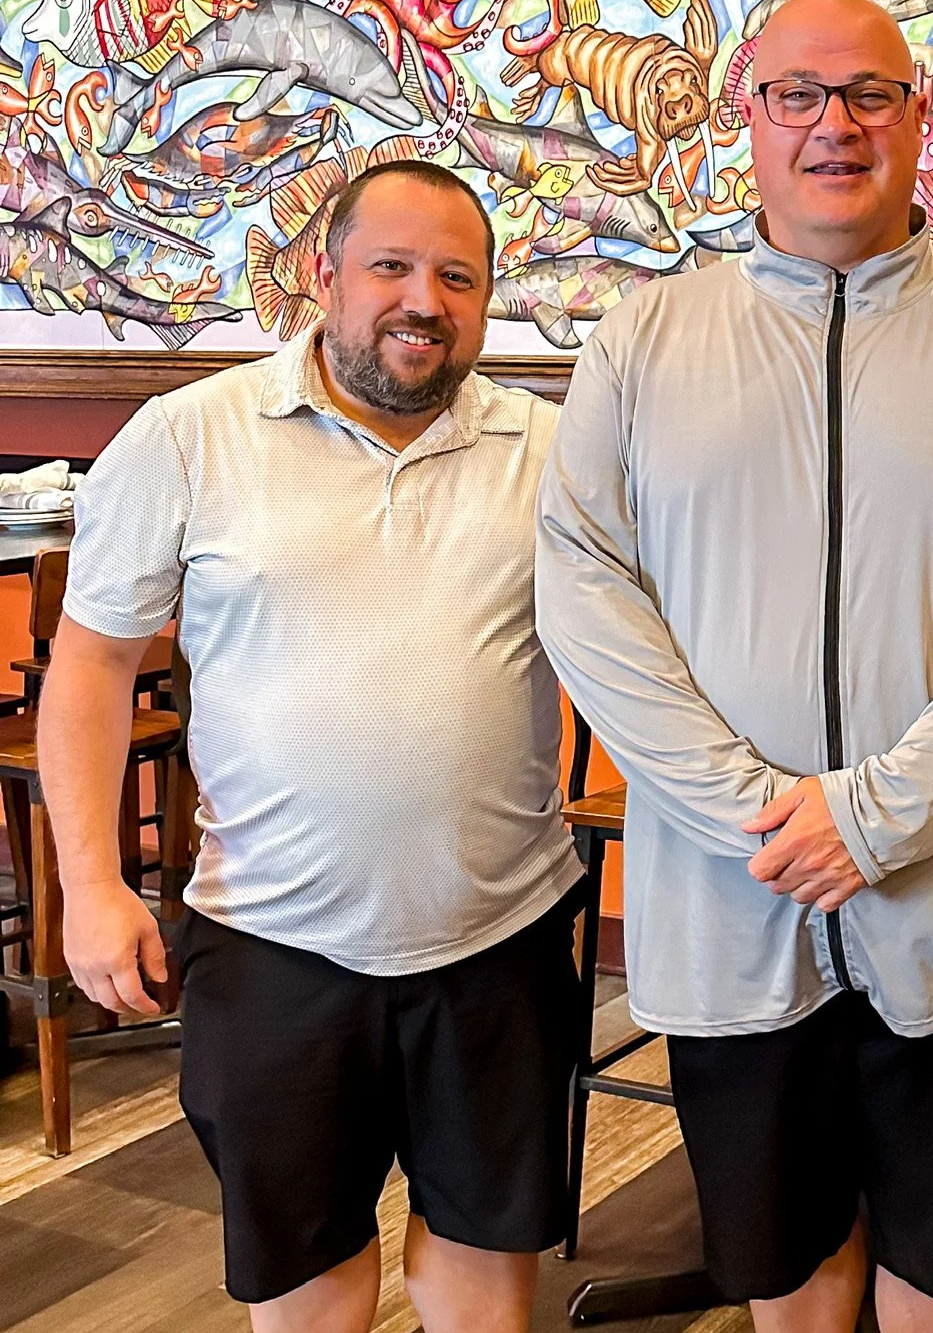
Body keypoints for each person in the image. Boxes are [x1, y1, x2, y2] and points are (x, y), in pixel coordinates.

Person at [534, 0, 933, 1333]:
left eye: (869, 94)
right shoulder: (646, 339)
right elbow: (582, 582)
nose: (834, 125)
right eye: (798, 94)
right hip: (739, 910)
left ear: (919, 122)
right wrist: (759, 807)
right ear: (749, 115)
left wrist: (878, 811)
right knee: (787, 1284)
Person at [40, 160, 584, 1333]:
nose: (422, 301)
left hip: (500, 937)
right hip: (270, 938)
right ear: (321, 276)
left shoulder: (552, 452)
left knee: (485, 1278)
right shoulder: (188, 437)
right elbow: (90, 667)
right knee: (308, 1289)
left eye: (457, 277)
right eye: (390, 266)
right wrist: (91, 886)